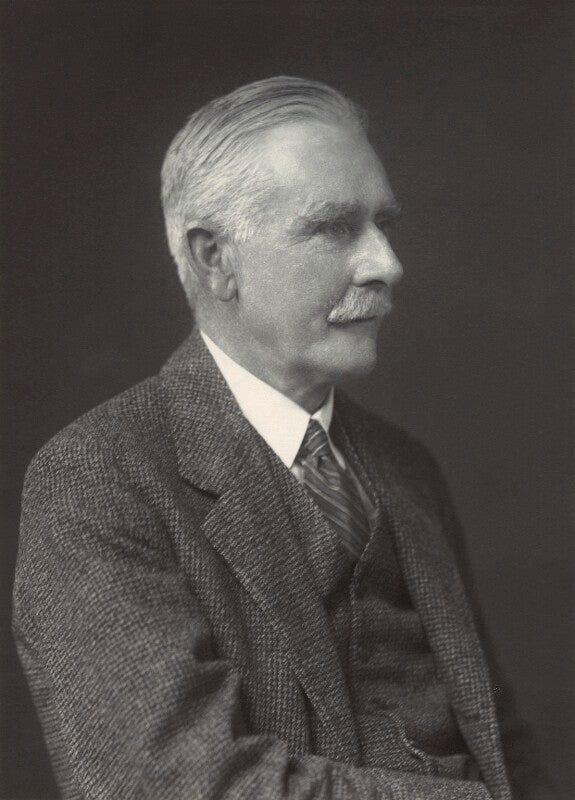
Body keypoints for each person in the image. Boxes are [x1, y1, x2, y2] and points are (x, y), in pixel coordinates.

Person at [13, 76, 549, 799]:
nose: (386, 264)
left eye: (383, 224)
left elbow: (502, 743)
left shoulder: (405, 469)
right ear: (215, 259)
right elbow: (174, 787)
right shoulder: (97, 480)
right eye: (333, 228)